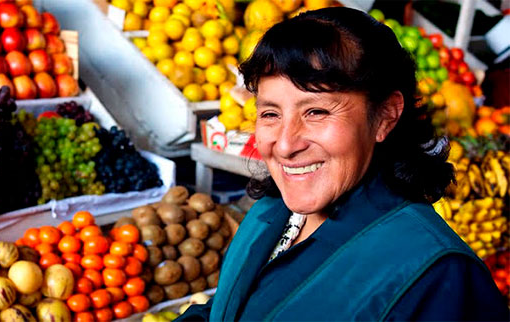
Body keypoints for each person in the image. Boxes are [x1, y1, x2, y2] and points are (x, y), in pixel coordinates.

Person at [176, 7, 509, 321]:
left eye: (316, 112)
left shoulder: (436, 277)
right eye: (270, 114)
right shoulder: (272, 210)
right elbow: (232, 311)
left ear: (385, 116)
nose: (287, 144)